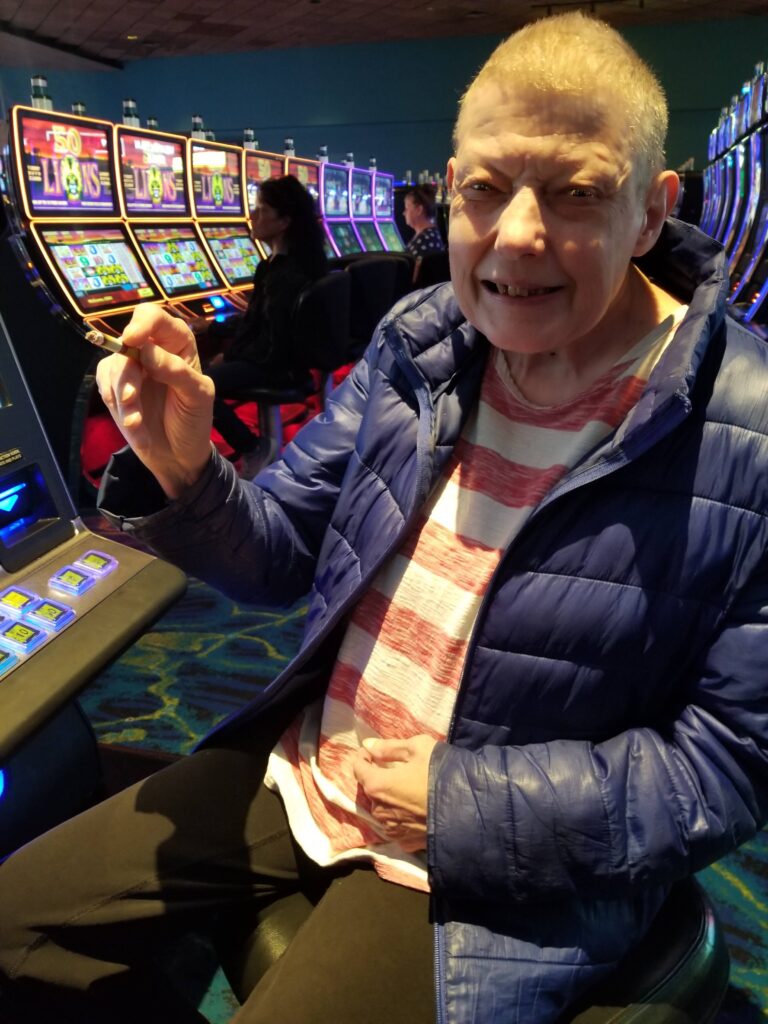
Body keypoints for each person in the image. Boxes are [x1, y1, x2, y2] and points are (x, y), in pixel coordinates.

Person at [1, 12, 768, 1024]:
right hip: (310, 765)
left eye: (577, 192)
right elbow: (280, 555)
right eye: (486, 189)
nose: (517, 234)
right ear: (450, 189)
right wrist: (187, 471)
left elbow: (730, 762)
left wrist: (457, 806)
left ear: (654, 209)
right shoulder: (423, 341)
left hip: (494, 871)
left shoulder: (747, 426)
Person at [204, 175, 327, 478]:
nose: (252, 216)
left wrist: (229, 356)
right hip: (288, 362)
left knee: (196, 386)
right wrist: (211, 329)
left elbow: (271, 342)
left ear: (284, 221)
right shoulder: (289, 264)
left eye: (262, 210)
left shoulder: (285, 274)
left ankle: (251, 447)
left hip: (277, 366)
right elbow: (257, 321)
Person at [403, 183, 445, 259]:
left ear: (419, 210)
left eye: (406, 208)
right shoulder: (430, 234)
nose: (404, 213)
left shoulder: (424, 241)